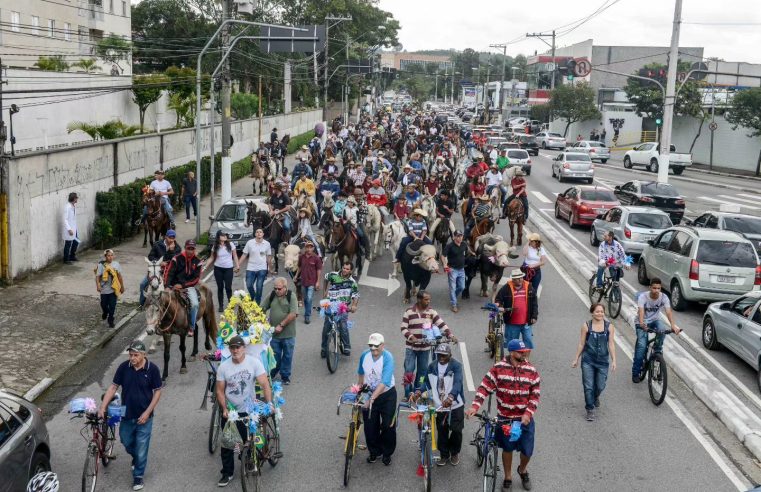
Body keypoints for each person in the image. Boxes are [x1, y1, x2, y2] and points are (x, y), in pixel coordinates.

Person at [465, 339, 540, 491]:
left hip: (524, 419)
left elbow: (535, 395)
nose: (524, 353)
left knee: (527, 451)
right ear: (512, 352)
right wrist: (475, 406)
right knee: (507, 449)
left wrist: (528, 413)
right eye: (520, 351)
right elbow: (484, 387)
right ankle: (507, 477)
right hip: (505, 418)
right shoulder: (498, 368)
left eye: (525, 351)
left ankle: (522, 470)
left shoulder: (532, 370)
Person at [99, 340, 162, 491]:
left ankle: (138, 476)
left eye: (135, 355)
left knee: (142, 447)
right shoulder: (123, 367)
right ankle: (137, 458)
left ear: (143, 355)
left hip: (144, 417)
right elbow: (114, 387)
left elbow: (158, 391)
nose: (132, 358)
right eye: (130, 355)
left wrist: (147, 412)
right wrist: (103, 406)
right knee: (126, 441)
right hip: (126, 415)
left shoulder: (152, 369)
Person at [215, 335, 273, 487]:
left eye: (238, 347)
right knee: (228, 442)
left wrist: (269, 404)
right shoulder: (224, 367)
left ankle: (248, 458)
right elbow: (220, 391)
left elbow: (265, 384)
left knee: (250, 440)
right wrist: (224, 409)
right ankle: (227, 473)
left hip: (249, 409)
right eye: (232, 347)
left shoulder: (254, 363)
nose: (235, 350)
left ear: (244, 348)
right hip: (231, 411)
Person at [400, 290, 454, 397]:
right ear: (419, 300)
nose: (428, 302)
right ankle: (407, 394)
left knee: (422, 372)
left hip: (425, 349)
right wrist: (411, 337)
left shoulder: (432, 312)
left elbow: (441, 324)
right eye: (426, 299)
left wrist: (450, 335)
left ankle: (417, 392)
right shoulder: (409, 312)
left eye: (429, 299)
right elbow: (403, 328)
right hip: (411, 348)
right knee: (409, 371)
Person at [571, 303, 617, 421]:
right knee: (588, 386)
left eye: (602, 311)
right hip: (588, 361)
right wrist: (576, 358)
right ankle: (590, 409)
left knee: (600, 385)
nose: (600, 314)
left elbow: (611, 344)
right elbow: (582, 343)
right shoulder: (586, 326)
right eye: (597, 311)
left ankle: (595, 397)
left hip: (603, 362)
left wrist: (614, 360)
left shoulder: (609, 326)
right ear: (592, 312)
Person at [358, 332, 397, 466]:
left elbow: (384, 382)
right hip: (369, 393)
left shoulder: (388, 357)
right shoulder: (364, 355)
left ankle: (387, 452)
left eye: (376, 347)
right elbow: (361, 373)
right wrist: (360, 390)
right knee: (370, 426)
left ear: (382, 345)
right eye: (371, 347)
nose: (374, 350)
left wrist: (371, 399)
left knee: (387, 425)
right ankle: (374, 451)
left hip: (387, 394)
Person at [632, 278, 681, 383]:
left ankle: (657, 350)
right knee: (641, 346)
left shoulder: (664, 297)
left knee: (662, 329)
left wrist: (673, 326)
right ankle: (635, 372)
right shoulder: (643, 297)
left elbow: (668, 312)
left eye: (658, 288)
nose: (656, 290)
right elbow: (641, 311)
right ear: (650, 288)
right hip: (642, 323)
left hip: (655, 320)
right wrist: (642, 323)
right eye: (654, 288)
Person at [424, 343, 464, 466]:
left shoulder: (456, 366)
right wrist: (418, 391)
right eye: (439, 355)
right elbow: (426, 382)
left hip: (455, 404)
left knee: (456, 430)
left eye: (444, 355)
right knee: (442, 430)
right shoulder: (431, 366)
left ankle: (455, 452)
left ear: (450, 355)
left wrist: (451, 396)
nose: (441, 357)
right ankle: (444, 454)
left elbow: (458, 383)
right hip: (439, 405)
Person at [260, 277, 299, 385]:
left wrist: (281, 325)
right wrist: (262, 319)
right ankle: (273, 372)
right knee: (274, 355)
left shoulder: (291, 296)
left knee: (287, 355)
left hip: (288, 334)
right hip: (274, 334)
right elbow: (262, 308)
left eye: (279, 289)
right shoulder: (272, 295)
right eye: (275, 288)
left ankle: (285, 375)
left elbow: (293, 314)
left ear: (285, 288)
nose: (276, 291)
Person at [163, 239, 202, 337]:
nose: (190, 251)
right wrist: (167, 286)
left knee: (194, 305)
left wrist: (183, 285)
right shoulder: (176, 259)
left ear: (194, 249)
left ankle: (191, 327)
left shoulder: (198, 261)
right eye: (188, 248)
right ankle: (159, 324)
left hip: (189, 287)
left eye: (192, 249)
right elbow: (169, 273)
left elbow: (196, 279)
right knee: (159, 301)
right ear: (185, 248)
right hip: (173, 286)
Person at [322, 262, 359, 357]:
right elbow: (325, 278)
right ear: (342, 267)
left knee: (343, 325)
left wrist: (354, 305)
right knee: (327, 326)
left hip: (343, 307)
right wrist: (325, 291)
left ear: (351, 271)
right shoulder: (333, 275)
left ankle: (347, 347)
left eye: (347, 269)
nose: (345, 270)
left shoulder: (352, 282)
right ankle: (323, 348)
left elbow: (355, 295)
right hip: (330, 304)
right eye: (344, 268)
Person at [496, 269, 539, 349]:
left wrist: (534, 316)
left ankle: (526, 360)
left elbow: (534, 303)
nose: (520, 280)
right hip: (512, 323)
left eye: (521, 277)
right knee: (512, 344)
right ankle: (513, 360)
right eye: (517, 278)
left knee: (528, 342)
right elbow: (498, 299)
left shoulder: (529, 287)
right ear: (513, 280)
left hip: (526, 322)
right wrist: (499, 305)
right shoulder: (506, 288)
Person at [139, 229, 181, 308]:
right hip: (157, 270)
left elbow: (176, 261)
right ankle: (142, 303)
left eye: (173, 238)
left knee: (174, 287)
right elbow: (150, 256)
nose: (171, 240)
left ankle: (173, 306)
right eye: (170, 237)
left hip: (169, 272)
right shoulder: (157, 244)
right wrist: (159, 262)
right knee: (143, 284)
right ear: (165, 237)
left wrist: (171, 251)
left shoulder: (177, 248)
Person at [204, 231, 240, 311]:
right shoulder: (215, 246)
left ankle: (231, 304)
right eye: (223, 235)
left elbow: (235, 256)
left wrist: (237, 265)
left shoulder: (230, 245)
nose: (225, 236)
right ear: (218, 237)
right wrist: (205, 267)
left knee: (228, 287)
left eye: (225, 235)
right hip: (218, 269)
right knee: (220, 287)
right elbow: (211, 257)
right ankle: (221, 306)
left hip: (228, 268)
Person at [238, 228, 273, 305]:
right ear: (255, 234)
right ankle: (253, 295)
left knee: (259, 286)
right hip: (251, 267)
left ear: (263, 234)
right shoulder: (250, 243)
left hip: (262, 268)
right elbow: (244, 254)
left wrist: (270, 268)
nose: (259, 233)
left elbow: (269, 256)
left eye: (260, 232)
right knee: (249, 285)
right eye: (257, 232)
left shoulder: (267, 244)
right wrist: (238, 265)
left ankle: (257, 304)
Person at [95, 249, 125, 328]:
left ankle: (110, 320)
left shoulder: (116, 264)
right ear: (105, 256)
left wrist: (122, 286)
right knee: (103, 304)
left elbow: (119, 276)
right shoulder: (101, 265)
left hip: (113, 288)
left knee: (112, 305)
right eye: (108, 255)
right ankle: (105, 312)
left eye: (112, 255)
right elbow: (97, 276)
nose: (110, 257)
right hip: (104, 288)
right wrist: (98, 285)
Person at [295, 240, 322, 324]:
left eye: (311, 247)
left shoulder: (316, 258)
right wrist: (296, 276)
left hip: (312, 282)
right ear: (305, 248)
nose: (309, 249)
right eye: (307, 247)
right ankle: (307, 311)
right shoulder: (301, 257)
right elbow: (299, 267)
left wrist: (318, 281)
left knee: (309, 298)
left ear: (313, 248)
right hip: (303, 281)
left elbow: (319, 270)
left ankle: (307, 315)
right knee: (305, 298)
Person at [442, 231, 467, 313]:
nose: (460, 238)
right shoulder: (449, 246)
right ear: (454, 237)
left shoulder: (464, 244)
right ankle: (454, 304)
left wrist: (473, 253)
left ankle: (453, 297)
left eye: (461, 236)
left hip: (461, 269)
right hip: (452, 269)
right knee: (452, 287)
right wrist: (445, 264)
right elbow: (443, 255)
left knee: (462, 287)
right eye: (458, 236)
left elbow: (467, 251)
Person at [63, 192, 79, 264]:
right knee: (68, 244)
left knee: (76, 242)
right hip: (69, 229)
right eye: (76, 198)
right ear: (73, 198)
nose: (77, 199)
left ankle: (72, 256)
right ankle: (66, 259)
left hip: (74, 228)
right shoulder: (67, 207)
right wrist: (69, 229)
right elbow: (65, 219)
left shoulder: (73, 206)